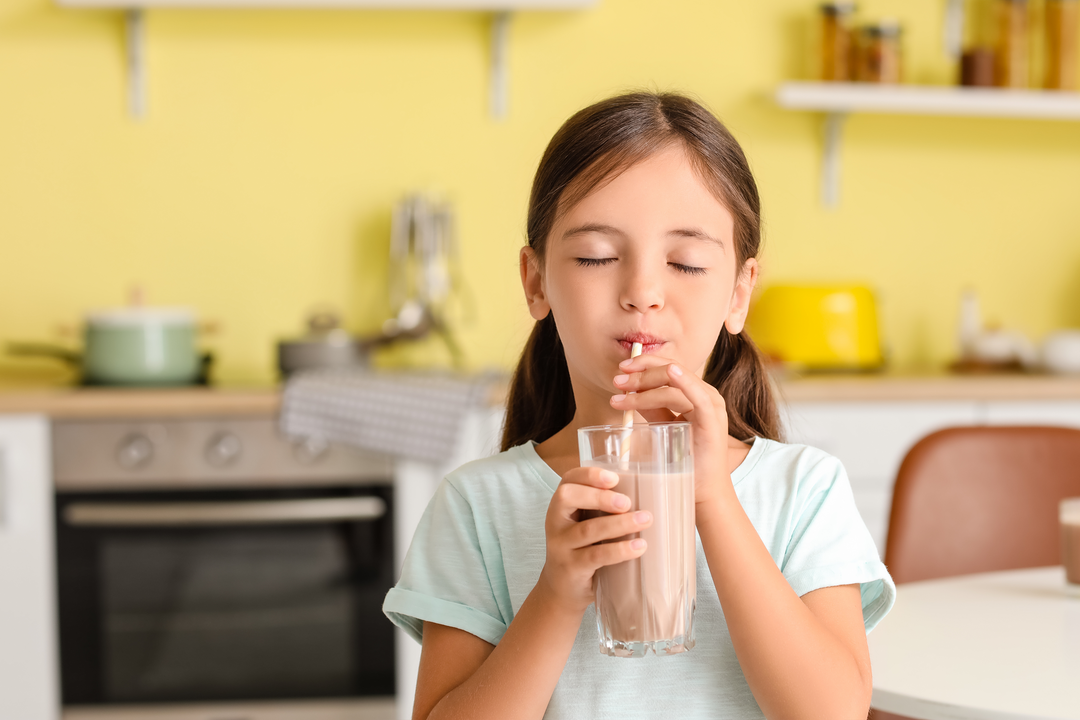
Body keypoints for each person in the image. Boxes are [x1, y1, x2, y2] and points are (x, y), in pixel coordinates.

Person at [383, 91, 895, 720]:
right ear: (536, 280)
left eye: (685, 262)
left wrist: (710, 495)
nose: (643, 292)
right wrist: (556, 594)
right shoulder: (477, 506)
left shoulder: (804, 490)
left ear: (740, 292)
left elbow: (830, 713)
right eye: (596, 256)